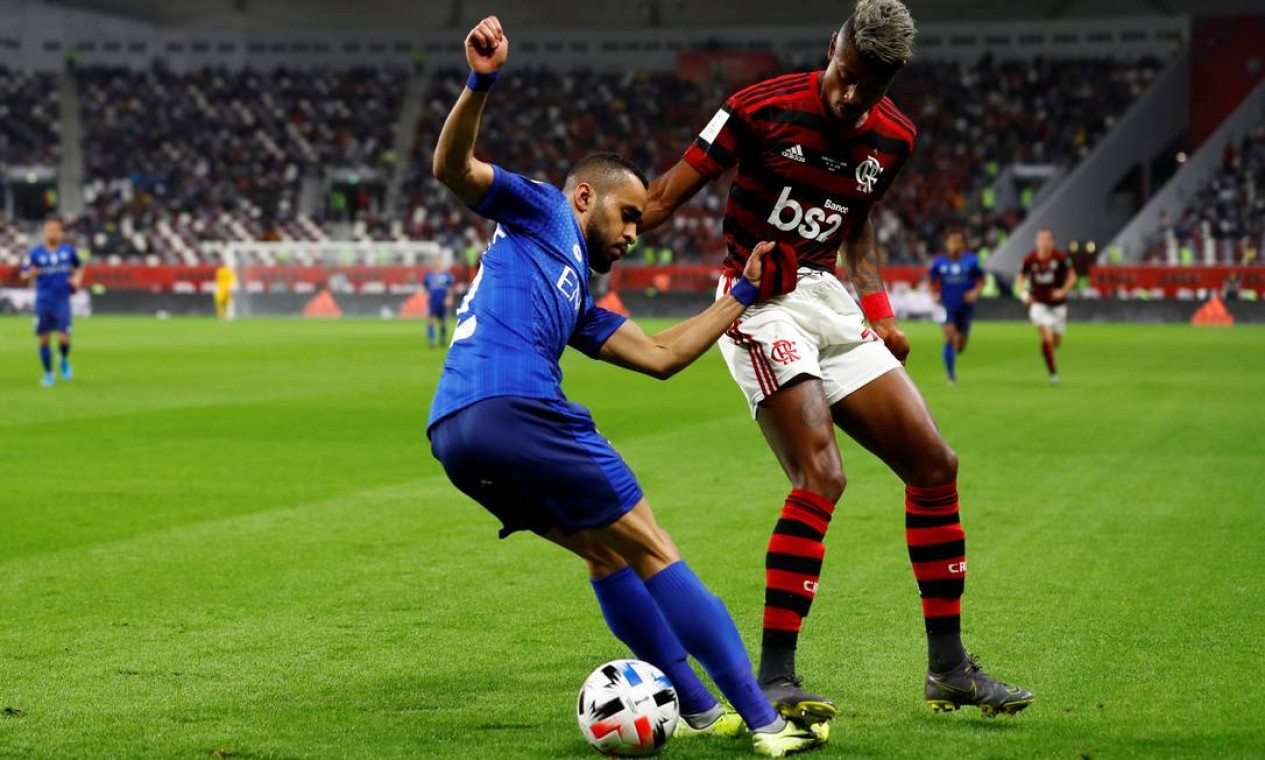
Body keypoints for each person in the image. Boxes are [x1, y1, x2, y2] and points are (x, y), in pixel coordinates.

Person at [426, 16, 826, 757]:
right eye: (626, 214)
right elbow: (453, 169)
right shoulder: (541, 206)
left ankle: (704, 709)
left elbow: (664, 354)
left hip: (452, 432)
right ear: (584, 196)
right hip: (519, 408)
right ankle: (767, 725)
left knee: (604, 553)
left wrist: (740, 292)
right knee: (651, 545)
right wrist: (480, 83)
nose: (635, 232)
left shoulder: (574, 292)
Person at [639, 0, 1033, 722]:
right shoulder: (757, 108)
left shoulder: (894, 138)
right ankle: (773, 676)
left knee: (934, 465)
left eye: (868, 88)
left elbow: (858, 225)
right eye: (844, 76)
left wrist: (880, 314)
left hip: (828, 298)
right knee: (821, 474)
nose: (850, 97)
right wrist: (567, 227)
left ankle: (948, 669)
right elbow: (661, 197)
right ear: (831, 47)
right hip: (755, 299)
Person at [21, 217, 83, 387]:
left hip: (62, 300)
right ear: (43, 233)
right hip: (43, 301)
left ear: (61, 233)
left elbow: (78, 268)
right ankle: (48, 373)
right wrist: (30, 275)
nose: (52, 233)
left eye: (55, 229)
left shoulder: (68, 251)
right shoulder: (35, 253)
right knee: (44, 339)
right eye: (49, 230)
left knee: (64, 338)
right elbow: (23, 274)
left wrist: (76, 280)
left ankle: (63, 358)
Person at [1015, 229, 1075, 386]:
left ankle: (1048, 353)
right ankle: (1053, 374)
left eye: (1047, 239)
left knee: (1056, 341)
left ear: (1052, 242)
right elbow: (1020, 278)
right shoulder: (1030, 259)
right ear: (1036, 241)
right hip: (1039, 304)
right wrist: (1023, 295)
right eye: (1041, 239)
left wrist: (1063, 291)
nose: (1044, 242)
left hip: (1058, 306)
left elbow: (1072, 277)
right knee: (1046, 335)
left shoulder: (1061, 258)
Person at [928, 229, 984, 386]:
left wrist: (975, 292)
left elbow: (981, 280)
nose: (954, 245)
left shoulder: (972, 261)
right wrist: (935, 294)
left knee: (961, 344)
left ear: (963, 245)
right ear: (947, 244)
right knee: (950, 338)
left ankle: (959, 345)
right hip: (948, 306)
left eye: (958, 242)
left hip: (966, 307)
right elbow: (931, 280)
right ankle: (951, 376)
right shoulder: (940, 262)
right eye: (952, 242)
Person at [422, 260, 455, 347]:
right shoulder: (429, 275)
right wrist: (427, 295)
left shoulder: (446, 275)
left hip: (442, 299)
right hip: (433, 300)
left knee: (443, 320)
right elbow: (425, 287)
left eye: (438, 264)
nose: (436, 265)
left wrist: (449, 298)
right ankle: (432, 340)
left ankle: (443, 338)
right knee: (430, 319)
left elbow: (450, 288)